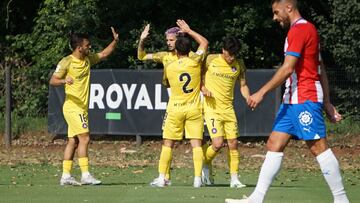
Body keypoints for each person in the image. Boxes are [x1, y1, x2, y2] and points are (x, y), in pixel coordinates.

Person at [225, 0, 349, 202]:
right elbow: (321, 68)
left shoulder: (300, 30)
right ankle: (256, 198)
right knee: (274, 143)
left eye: (276, 12)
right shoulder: (304, 30)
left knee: (318, 147)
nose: (275, 17)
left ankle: (341, 199)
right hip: (292, 100)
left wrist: (261, 92)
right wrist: (327, 101)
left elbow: (287, 68)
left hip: (305, 98)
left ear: (288, 8)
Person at [49, 27, 119, 186]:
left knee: (73, 141)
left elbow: (104, 54)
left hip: (81, 108)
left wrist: (115, 41)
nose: (90, 47)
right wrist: (63, 81)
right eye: (87, 45)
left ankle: (65, 176)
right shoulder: (66, 61)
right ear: (79, 47)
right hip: (73, 107)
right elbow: (52, 81)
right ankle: (85, 175)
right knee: (85, 138)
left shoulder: (87, 59)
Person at [150, 19, 208, 188]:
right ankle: (197, 179)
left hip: (175, 108)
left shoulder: (170, 66)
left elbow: (166, 83)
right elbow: (204, 42)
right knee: (196, 143)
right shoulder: (196, 61)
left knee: (168, 143)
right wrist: (189, 30)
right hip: (194, 108)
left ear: (177, 48)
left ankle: (162, 178)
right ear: (189, 49)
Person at [137, 23, 196, 185]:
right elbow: (141, 56)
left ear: (179, 40)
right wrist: (142, 40)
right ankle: (165, 177)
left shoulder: (191, 56)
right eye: (167, 40)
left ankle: (202, 173)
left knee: (198, 141)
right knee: (169, 141)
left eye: (171, 40)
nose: (168, 42)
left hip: (192, 100)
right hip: (174, 99)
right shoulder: (165, 56)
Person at [201, 37, 249, 188]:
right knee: (217, 143)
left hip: (228, 109)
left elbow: (243, 85)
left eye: (235, 54)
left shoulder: (239, 64)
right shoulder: (210, 59)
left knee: (233, 143)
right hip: (212, 109)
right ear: (223, 50)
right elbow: (198, 77)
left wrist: (248, 97)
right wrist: (203, 88)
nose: (232, 57)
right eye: (230, 54)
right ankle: (205, 163)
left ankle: (234, 179)